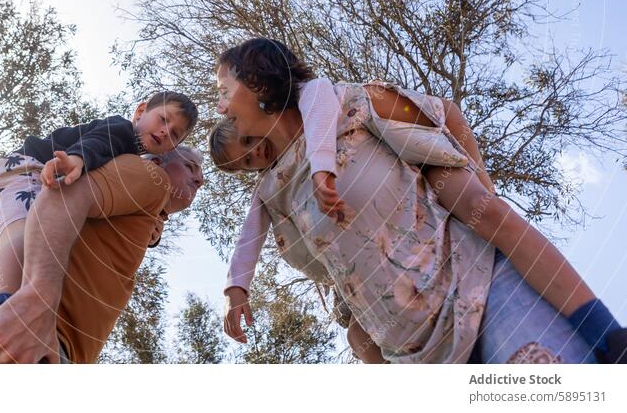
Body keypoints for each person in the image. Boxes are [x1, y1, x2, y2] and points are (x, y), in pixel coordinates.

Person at [213, 37, 625, 364]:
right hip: (419, 361)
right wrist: (237, 290)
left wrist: (479, 194)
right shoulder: (277, 193)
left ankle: (608, 335)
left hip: (484, 299)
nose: (221, 106)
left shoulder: (350, 103)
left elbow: (445, 113)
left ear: (258, 84)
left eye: (224, 91)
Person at [0, 91, 198, 349]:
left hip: (3, 184)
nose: (164, 131)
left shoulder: (131, 162)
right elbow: (100, 142)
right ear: (140, 112)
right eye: (162, 119)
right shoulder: (122, 130)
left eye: (174, 134)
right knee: (23, 235)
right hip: (24, 170)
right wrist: (77, 159)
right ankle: (1, 305)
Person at [0, 146, 204, 364]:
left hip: (35, 339)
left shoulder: (145, 210)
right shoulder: (152, 176)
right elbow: (60, 195)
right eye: (191, 166)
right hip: (21, 330)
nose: (200, 179)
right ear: (157, 160)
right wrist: (37, 301)